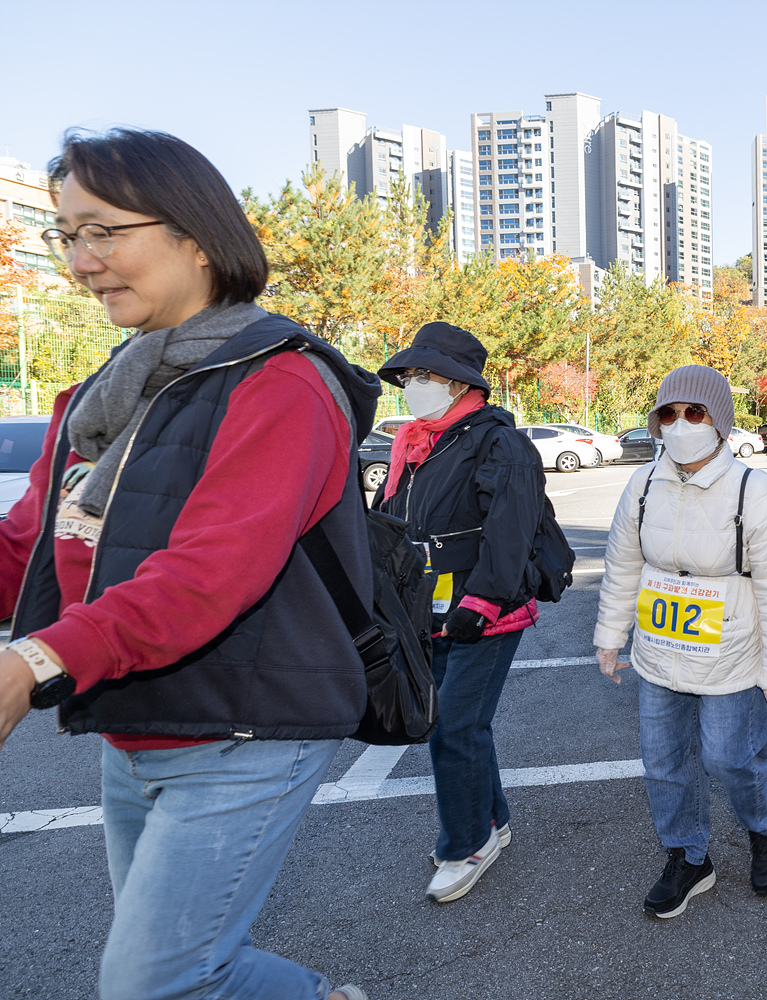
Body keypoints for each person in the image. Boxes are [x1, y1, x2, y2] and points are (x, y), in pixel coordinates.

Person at [0, 130, 375, 1000]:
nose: (81, 260)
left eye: (103, 231)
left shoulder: (280, 384)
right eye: (66, 235)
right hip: (137, 727)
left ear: (196, 237)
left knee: (153, 982)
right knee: (180, 973)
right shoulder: (102, 392)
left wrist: (33, 662)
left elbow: (208, 574)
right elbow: (27, 551)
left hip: (245, 728)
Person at [594, 365, 767, 919]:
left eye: (695, 412)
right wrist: (611, 636)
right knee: (662, 763)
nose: (680, 424)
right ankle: (688, 856)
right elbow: (623, 564)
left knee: (730, 758)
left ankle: (764, 828)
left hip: (731, 654)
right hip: (661, 651)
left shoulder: (753, 489)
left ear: (720, 423)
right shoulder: (641, 485)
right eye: (669, 413)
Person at [375, 323, 547, 904]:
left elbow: (511, 529)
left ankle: (467, 842)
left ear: (459, 382)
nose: (413, 385)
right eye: (410, 376)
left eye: (425, 375)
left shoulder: (498, 442)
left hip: (486, 611)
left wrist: (479, 601)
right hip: (430, 610)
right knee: (464, 724)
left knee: (452, 727)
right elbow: (397, 528)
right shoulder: (413, 442)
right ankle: (493, 822)